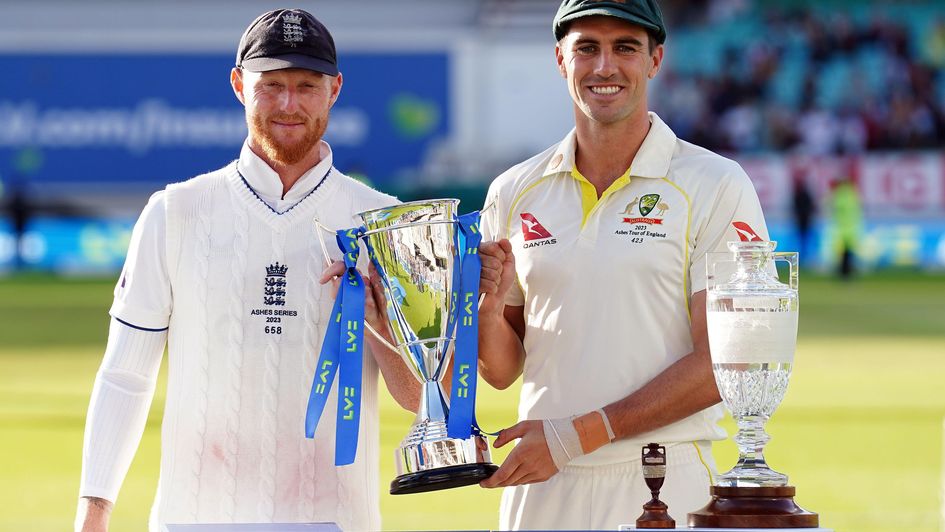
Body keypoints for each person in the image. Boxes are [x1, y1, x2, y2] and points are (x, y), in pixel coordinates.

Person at [74, 9, 417, 531]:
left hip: (334, 521)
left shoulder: (382, 220)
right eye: (272, 84)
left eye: (306, 85)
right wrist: (93, 514)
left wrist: (377, 318)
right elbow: (125, 375)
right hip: (192, 520)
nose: (288, 103)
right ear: (239, 84)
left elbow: (421, 397)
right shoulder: (175, 212)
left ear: (335, 90)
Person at [476, 0, 770, 529]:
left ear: (655, 60)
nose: (605, 66)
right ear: (560, 60)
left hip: (662, 477)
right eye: (587, 47)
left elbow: (724, 364)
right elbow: (501, 372)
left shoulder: (714, 184)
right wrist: (486, 312)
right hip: (541, 481)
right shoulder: (514, 190)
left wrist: (576, 436)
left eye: (625, 48)